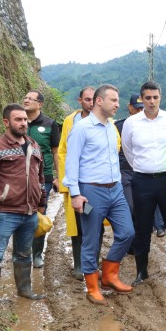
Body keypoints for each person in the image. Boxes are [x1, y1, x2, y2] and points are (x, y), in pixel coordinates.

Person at [63, 84, 135, 306]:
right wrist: (75, 195)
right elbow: (71, 163)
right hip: (90, 193)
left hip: (115, 190)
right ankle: (92, 288)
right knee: (91, 239)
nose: (118, 104)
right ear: (99, 101)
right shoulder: (82, 129)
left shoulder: (111, 126)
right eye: (113, 100)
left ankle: (110, 274)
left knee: (127, 232)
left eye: (118, 100)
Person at [121, 81, 166, 286]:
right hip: (142, 181)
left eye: (155, 97)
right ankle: (141, 272)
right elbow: (128, 151)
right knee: (142, 228)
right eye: (147, 98)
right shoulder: (131, 123)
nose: (151, 101)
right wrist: (144, 167)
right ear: (142, 99)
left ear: (160, 97)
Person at [0, 103, 47, 305]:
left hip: (30, 213)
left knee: (24, 254)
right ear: (6, 122)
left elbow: (40, 177)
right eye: (18, 119)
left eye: (25, 119)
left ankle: (25, 290)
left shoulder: (34, 145)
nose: (23, 123)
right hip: (5, 212)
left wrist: (41, 203)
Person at [56, 87, 106, 280]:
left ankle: (92, 263)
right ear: (80, 101)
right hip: (78, 187)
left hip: (97, 186)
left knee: (96, 222)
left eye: (93, 99)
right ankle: (79, 264)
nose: (91, 103)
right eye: (87, 99)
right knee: (79, 223)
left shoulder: (106, 121)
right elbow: (62, 152)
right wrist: (66, 184)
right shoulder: (71, 122)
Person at [115, 94, 166, 239]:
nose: (138, 112)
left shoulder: (151, 126)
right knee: (130, 206)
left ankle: (156, 226)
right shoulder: (119, 126)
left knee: (152, 202)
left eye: (141, 109)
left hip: (143, 170)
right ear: (129, 108)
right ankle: (131, 238)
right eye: (136, 109)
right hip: (125, 171)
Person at [24, 90, 60, 269]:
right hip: (19, 176)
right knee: (20, 213)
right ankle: (22, 252)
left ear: (40, 104)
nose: (26, 100)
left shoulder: (50, 124)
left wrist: (58, 177)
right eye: (25, 98)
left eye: (31, 99)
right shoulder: (18, 121)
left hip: (42, 176)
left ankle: (37, 254)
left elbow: (55, 152)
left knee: (39, 213)